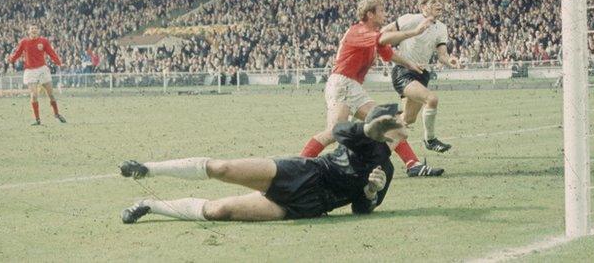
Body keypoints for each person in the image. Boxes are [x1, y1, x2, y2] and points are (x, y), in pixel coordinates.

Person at [119, 105, 406, 223]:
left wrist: (370, 193)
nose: (404, 126)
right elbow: (339, 131)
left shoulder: (387, 170)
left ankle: (149, 205)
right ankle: (147, 168)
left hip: (309, 206)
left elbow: (361, 209)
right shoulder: (364, 139)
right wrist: (368, 130)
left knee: (220, 210)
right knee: (223, 169)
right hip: (304, 172)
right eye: (398, 121)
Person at [299, 0, 443, 177]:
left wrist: (410, 65)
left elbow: (389, 54)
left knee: (386, 123)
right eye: (381, 11)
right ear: (370, 14)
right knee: (334, 133)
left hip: (352, 87)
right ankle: (299, 165)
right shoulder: (358, 31)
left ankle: (412, 164)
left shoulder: (373, 35)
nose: (385, 14)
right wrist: (414, 31)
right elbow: (384, 39)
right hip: (341, 84)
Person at [383, 0, 460, 152]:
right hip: (403, 71)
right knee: (431, 99)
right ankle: (430, 140)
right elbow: (384, 32)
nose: (439, 4)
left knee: (407, 119)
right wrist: (388, 52)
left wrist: (449, 60)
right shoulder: (410, 19)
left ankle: (380, 145)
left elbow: (442, 54)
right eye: (433, 2)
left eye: (440, 1)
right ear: (423, 7)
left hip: (422, 74)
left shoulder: (441, 28)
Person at [8, 24, 65, 125]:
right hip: (30, 71)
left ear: (38, 31)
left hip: (42, 69)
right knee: (34, 95)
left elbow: (51, 53)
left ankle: (56, 114)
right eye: (32, 29)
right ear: (28, 31)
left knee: (51, 94)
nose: (34, 30)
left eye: (35, 28)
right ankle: (37, 119)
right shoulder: (24, 42)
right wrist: (11, 59)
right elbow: (18, 53)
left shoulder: (43, 41)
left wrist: (59, 63)